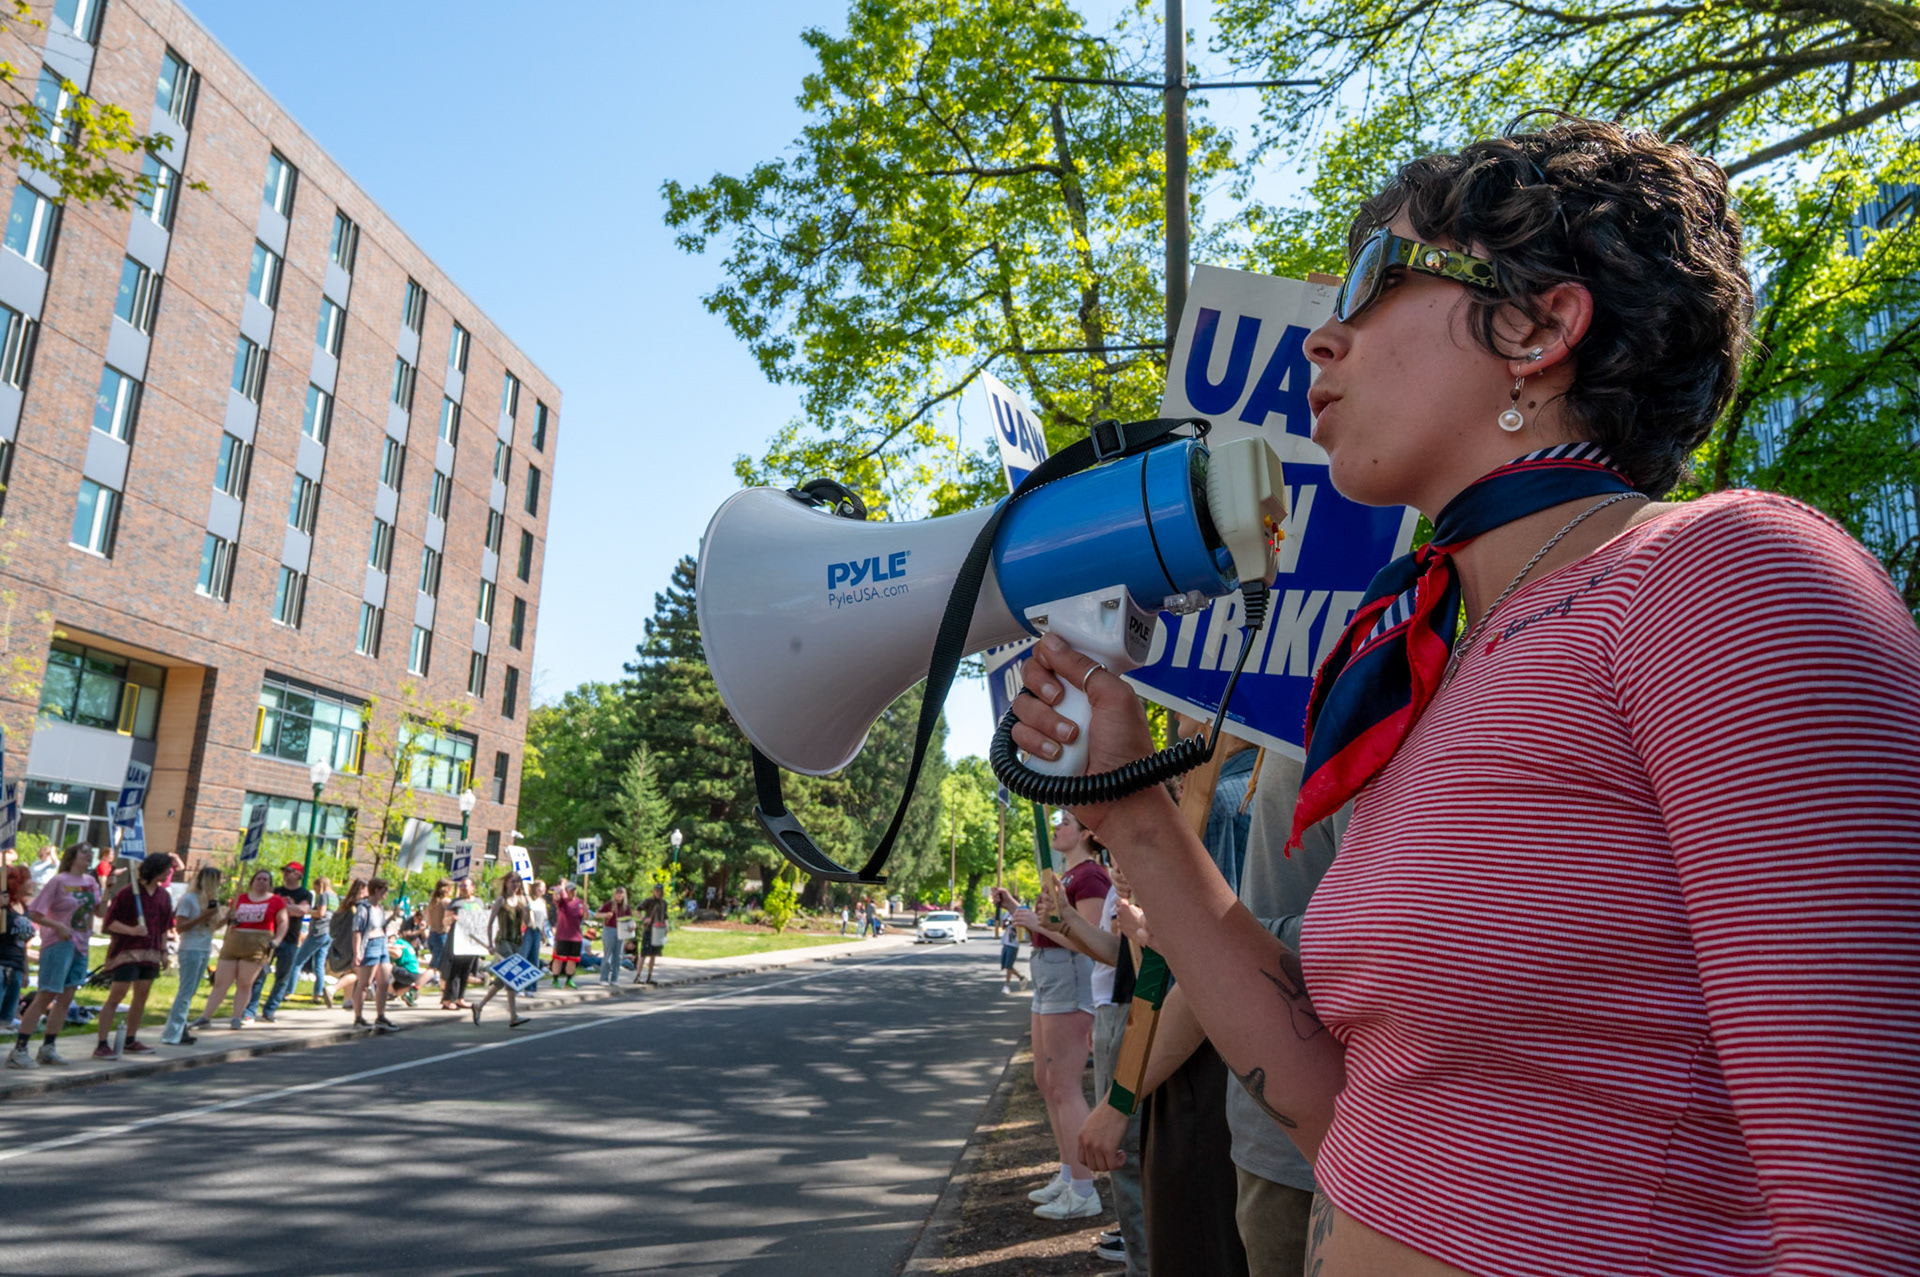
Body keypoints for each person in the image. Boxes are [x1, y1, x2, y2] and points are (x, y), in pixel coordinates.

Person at [1005, 118, 1920, 1276]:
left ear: (1537, 327)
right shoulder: (1427, 663)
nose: (1320, 337)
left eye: (1370, 279)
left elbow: (1871, 1215)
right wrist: (1130, 809)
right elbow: (1353, 1104)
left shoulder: (1724, 579)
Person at [994, 811, 1111, 1223]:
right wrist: (1018, 909)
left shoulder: (1091, 877)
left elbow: (1092, 942)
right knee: (1046, 1081)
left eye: (1066, 822)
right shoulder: (1067, 876)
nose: (1057, 827)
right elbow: (1055, 928)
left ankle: (1083, 1189)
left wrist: (1037, 924)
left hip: (1068, 976)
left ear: (1087, 833)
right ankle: (1067, 1174)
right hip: (1048, 974)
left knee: (1064, 1084)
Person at [11, 844, 102, 1067]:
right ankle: (20, 1049)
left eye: (91, 853)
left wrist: (107, 889)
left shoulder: (91, 882)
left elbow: (100, 912)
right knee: (47, 993)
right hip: (58, 943)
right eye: (84, 852)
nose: (89, 855)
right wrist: (58, 926)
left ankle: (48, 1047)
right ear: (72, 857)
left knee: (67, 996)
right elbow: (35, 912)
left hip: (81, 944)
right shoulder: (58, 881)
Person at [91, 852, 175, 1058]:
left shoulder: (164, 896)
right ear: (156, 870)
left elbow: (164, 927)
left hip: (151, 952)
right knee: (117, 995)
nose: (169, 873)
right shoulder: (129, 892)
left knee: (141, 996)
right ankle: (102, 1043)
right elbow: (109, 923)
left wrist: (164, 951)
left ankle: (131, 1038)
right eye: (167, 869)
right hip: (127, 951)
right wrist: (132, 930)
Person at [197, 867, 286, 1031]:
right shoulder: (240, 898)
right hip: (234, 940)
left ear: (270, 884)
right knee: (221, 982)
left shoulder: (276, 901)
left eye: (265, 879)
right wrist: (228, 919)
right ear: (252, 882)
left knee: (245, 983)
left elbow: (283, 921)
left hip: (258, 944)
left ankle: (237, 1017)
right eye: (258, 879)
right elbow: (226, 919)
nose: (261, 882)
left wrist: (277, 940)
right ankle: (205, 1017)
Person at [160, 866, 224, 1046]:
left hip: (204, 948)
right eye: (218, 880)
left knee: (191, 991)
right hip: (190, 948)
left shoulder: (211, 901)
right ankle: (172, 1032)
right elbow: (180, 927)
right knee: (185, 991)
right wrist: (203, 916)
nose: (220, 884)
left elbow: (212, 928)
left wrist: (225, 919)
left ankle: (180, 1027)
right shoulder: (189, 899)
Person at [250, 861, 313, 1022]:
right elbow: (267, 907)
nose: (285, 873)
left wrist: (280, 908)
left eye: (289, 871)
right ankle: (250, 1009)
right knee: (259, 974)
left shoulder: (305, 894)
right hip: (270, 937)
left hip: (290, 940)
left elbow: (302, 911)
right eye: (284, 871)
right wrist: (289, 909)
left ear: (298, 875)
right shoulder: (276, 891)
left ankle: (270, 1010)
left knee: (282, 977)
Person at [268, 872, 337, 1015]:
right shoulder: (335, 897)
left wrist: (308, 911)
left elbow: (321, 913)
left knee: (297, 961)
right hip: (329, 932)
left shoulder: (324, 896)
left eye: (316, 888)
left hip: (318, 932)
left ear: (320, 885)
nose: (316, 891)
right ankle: (318, 993)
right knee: (319, 964)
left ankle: (288, 992)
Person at [472, 873, 532, 1027]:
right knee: (511, 975)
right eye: (513, 881)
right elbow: (490, 923)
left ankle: (479, 1006)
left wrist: (527, 910)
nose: (515, 884)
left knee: (501, 980)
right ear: (506, 883)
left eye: (518, 882)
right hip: (503, 941)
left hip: (517, 942)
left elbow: (527, 923)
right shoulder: (501, 900)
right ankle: (513, 1015)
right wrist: (490, 944)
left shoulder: (521, 900)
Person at [349, 877, 396, 1031]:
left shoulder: (379, 908)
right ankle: (358, 1017)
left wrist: (392, 916)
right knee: (365, 983)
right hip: (370, 945)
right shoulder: (364, 908)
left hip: (382, 944)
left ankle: (381, 1016)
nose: (386, 894)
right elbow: (357, 931)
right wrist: (357, 952)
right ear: (376, 890)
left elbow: (381, 926)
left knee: (384, 982)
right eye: (384, 890)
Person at [442, 876, 489, 1008]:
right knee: (455, 970)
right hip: (458, 941)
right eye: (461, 886)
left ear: (473, 887)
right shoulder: (455, 903)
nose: (462, 889)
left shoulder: (479, 902)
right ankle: (448, 999)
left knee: (466, 970)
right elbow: (444, 921)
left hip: (472, 942)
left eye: (465, 886)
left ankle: (460, 997)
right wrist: (452, 919)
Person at [0, 865, 32, 1029]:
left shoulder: (24, 908)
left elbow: (23, 943)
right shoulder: (4, 908)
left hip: (16, 967)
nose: (32, 882)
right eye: (28, 879)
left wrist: (25, 969)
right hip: (2, 964)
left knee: (6, 1018)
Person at [549, 879, 585, 988]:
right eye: (570, 890)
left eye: (574, 890)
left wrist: (586, 910)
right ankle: (555, 979)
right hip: (563, 935)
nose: (572, 892)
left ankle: (569, 979)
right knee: (559, 958)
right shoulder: (562, 902)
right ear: (567, 891)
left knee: (572, 959)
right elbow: (556, 897)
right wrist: (560, 888)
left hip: (576, 936)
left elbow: (585, 916)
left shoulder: (580, 902)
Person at [595, 886, 632, 986]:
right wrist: (605, 915)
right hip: (609, 929)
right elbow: (597, 914)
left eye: (621, 893)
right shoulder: (609, 904)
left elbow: (630, 919)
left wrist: (632, 926)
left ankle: (614, 979)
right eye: (617, 893)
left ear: (624, 895)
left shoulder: (626, 907)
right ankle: (604, 978)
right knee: (608, 954)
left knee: (618, 956)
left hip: (621, 930)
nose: (619, 895)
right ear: (614, 894)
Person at [636, 882, 669, 985]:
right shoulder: (649, 901)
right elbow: (637, 910)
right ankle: (638, 976)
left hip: (659, 930)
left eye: (660, 891)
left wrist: (666, 926)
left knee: (654, 954)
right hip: (649, 929)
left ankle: (649, 977)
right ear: (654, 891)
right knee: (643, 954)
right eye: (656, 891)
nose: (658, 893)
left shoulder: (663, 903)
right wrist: (643, 919)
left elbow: (665, 916)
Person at [424, 878, 453, 986]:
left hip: (432, 935)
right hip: (442, 935)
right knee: (434, 967)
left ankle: (444, 990)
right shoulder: (446, 902)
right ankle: (416, 986)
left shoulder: (432, 903)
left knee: (442, 967)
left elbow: (428, 921)